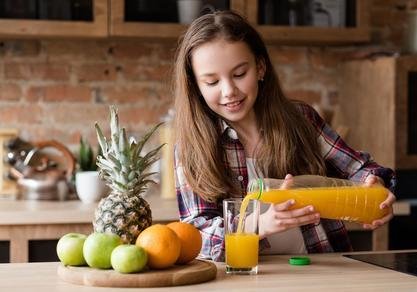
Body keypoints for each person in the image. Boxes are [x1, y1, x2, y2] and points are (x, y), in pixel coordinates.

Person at [172, 10, 396, 261]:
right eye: (212, 82)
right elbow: (194, 234)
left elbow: (360, 168)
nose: (229, 91)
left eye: (239, 74)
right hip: (246, 277)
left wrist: (376, 187)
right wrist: (258, 224)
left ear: (260, 67)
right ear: (196, 87)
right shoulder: (192, 147)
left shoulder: (301, 119)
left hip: (321, 269)